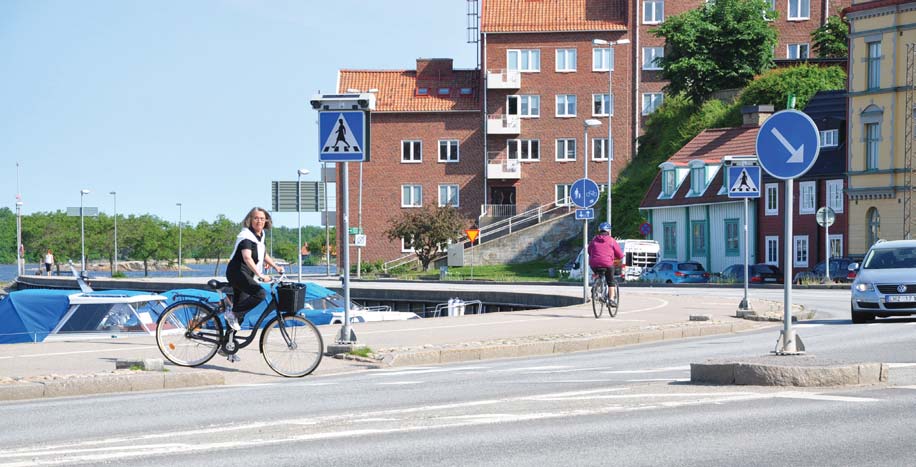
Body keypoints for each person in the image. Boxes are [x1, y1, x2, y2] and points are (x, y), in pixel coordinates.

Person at [224, 207, 285, 334]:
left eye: (262, 218)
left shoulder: (260, 235)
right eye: (256, 218)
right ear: (250, 220)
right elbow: (247, 257)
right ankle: (232, 313)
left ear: (266, 220)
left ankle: (227, 346)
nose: (259, 221)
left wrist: (276, 267)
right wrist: (260, 275)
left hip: (246, 274)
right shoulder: (246, 236)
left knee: (240, 314)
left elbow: (263, 254)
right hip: (237, 273)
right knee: (260, 294)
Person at [587, 222, 623, 306]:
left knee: (599, 274)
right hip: (607, 264)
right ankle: (611, 300)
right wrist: (617, 257)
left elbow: (589, 251)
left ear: (599, 230)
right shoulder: (611, 240)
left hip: (594, 264)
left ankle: (596, 286)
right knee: (610, 282)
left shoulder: (594, 240)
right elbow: (620, 255)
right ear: (609, 231)